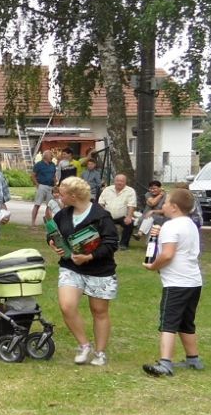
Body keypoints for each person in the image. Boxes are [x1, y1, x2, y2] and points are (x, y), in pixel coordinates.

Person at [47, 176, 119, 367]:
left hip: (99, 270)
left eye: (62, 194)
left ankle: (100, 352)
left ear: (73, 196)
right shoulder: (63, 214)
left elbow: (111, 243)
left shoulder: (101, 216)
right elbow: (53, 234)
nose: (59, 197)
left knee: (99, 311)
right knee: (67, 306)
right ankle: (84, 345)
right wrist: (53, 244)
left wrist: (89, 256)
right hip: (71, 267)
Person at [142, 188, 205, 377]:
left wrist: (153, 266)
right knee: (186, 321)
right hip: (193, 281)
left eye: (166, 202)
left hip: (177, 282)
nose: (164, 205)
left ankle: (165, 363)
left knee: (168, 322)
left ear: (174, 207)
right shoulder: (190, 224)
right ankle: (193, 359)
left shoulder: (171, 226)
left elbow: (167, 254)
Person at [98, 174, 138, 250]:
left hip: (122, 217)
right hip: (107, 216)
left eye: (122, 181)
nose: (119, 183)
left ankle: (123, 244)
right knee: (97, 222)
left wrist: (129, 217)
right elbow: (101, 203)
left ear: (125, 182)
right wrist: (103, 214)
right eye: (117, 181)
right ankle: (101, 243)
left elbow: (131, 205)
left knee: (129, 223)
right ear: (114, 181)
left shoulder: (130, 191)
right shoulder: (107, 189)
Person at [31, 150, 58, 227]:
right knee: (37, 204)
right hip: (42, 186)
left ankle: (49, 224)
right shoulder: (38, 165)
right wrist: (37, 184)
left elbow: (54, 176)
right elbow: (33, 175)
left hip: (51, 186)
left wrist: (55, 185)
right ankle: (33, 222)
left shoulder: (53, 165)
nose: (52, 157)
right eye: (50, 155)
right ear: (45, 156)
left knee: (49, 205)